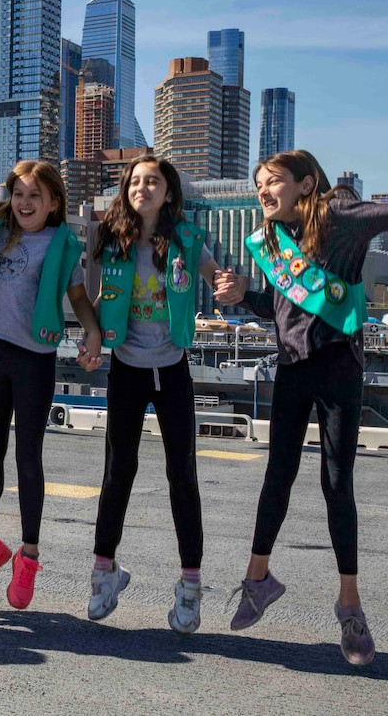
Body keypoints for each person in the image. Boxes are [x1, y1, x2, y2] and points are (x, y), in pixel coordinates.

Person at [214, 150, 388, 664]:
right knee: (278, 475)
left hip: (339, 367)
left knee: (337, 483)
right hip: (293, 365)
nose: (263, 192)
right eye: (258, 185)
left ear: (306, 183)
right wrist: (245, 295)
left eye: (273, 182)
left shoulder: (338, 218)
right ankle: (258, 579)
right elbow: (282, 308)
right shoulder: (271, 238)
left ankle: (350, 605)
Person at [0, 160, 103, 610]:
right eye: (18, 194)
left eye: (36, 195)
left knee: (27, 456)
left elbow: (77, 296)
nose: (25, 202)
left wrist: (92, 332)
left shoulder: (61, 243)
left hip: (35, 360)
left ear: (54, 203)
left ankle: (28, 556)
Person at [83, 155, 223, 632]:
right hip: (127, 369)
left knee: (182, 474)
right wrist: (92, 334)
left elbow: (215, 278)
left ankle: (190, 586)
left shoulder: (187, 238)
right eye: (136, 181)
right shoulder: (110, 238)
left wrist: (229, 285)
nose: (143, 188)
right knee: (117, 470)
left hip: (173, 369)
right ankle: (105, 572)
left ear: (168, 192)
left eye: (153, 182)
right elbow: (105, 300)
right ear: (127, 189)